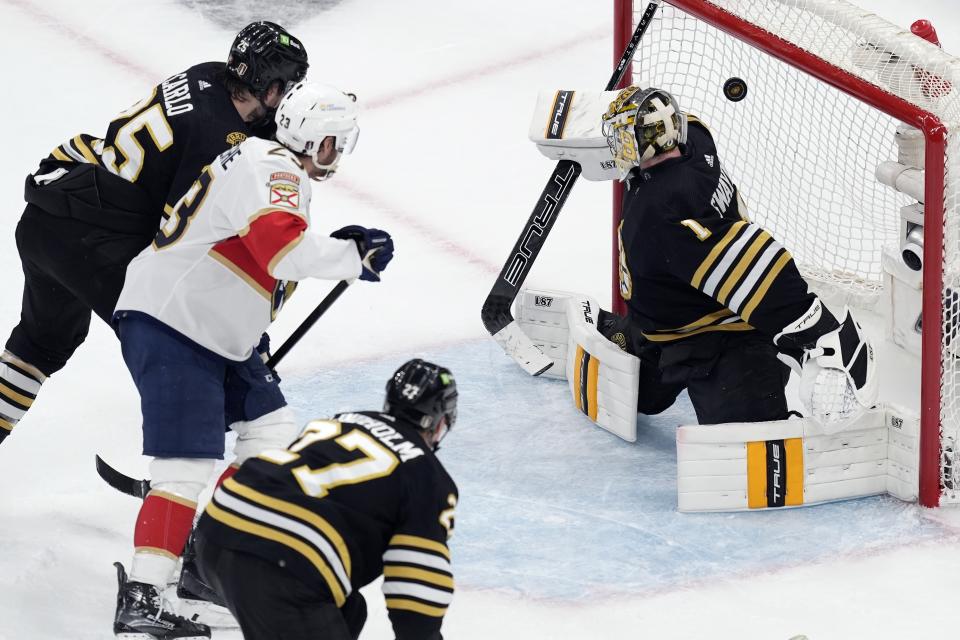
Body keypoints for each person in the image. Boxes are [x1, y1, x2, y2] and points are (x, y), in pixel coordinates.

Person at [111, 81, 395, 640]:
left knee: (270, 434)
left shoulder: (261, 160)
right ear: (317, 140)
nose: (336, 155)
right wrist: (351, 256)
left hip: (214, 332)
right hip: (177, 325)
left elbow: (258, 250)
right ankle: (145, 594)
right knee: (185, 468)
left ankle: (201, 566)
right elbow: (282, 250)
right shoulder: (275, 168)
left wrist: (337, 250)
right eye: (335, 142)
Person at [0, 21, 309, 444]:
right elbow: (182, 244)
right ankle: (181, 479)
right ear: (268, 85)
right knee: (187, 350)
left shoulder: (210, 75)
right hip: (94, 244)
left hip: (49, 213)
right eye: (287, 87)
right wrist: (241, 330)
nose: (287, 98)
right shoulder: (217, 142)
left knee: (39, 344)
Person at [597, 85, 876, 425]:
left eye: (624, 138)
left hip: (725, 337)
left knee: (745, 443)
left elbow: (757, 265)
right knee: (642, 398)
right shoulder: (696, 139)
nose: (618, 147)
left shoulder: (662, 209)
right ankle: (634, 336)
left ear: (652, 141)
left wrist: (821, 334)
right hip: (664, 320)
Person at [193, 358, 459, 640]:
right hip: (280, 561)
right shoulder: (428, 476)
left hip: (217, 528)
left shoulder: (341, 421)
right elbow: (416, 592)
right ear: (440, 422)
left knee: (350, 610)